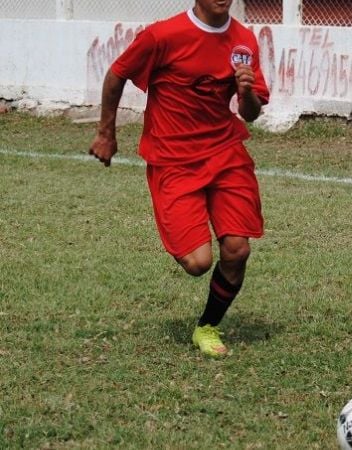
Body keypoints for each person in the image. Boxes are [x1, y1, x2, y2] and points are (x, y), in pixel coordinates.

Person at [89, 0, 270, 358]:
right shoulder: (163, 35)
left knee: (238, 250)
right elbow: (117, 74)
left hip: (226, 155)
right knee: (197, 264)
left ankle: (207, 327)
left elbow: (250, 114)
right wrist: (106, 133)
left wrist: (246, 92)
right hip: (173, 161)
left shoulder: (244, 40)